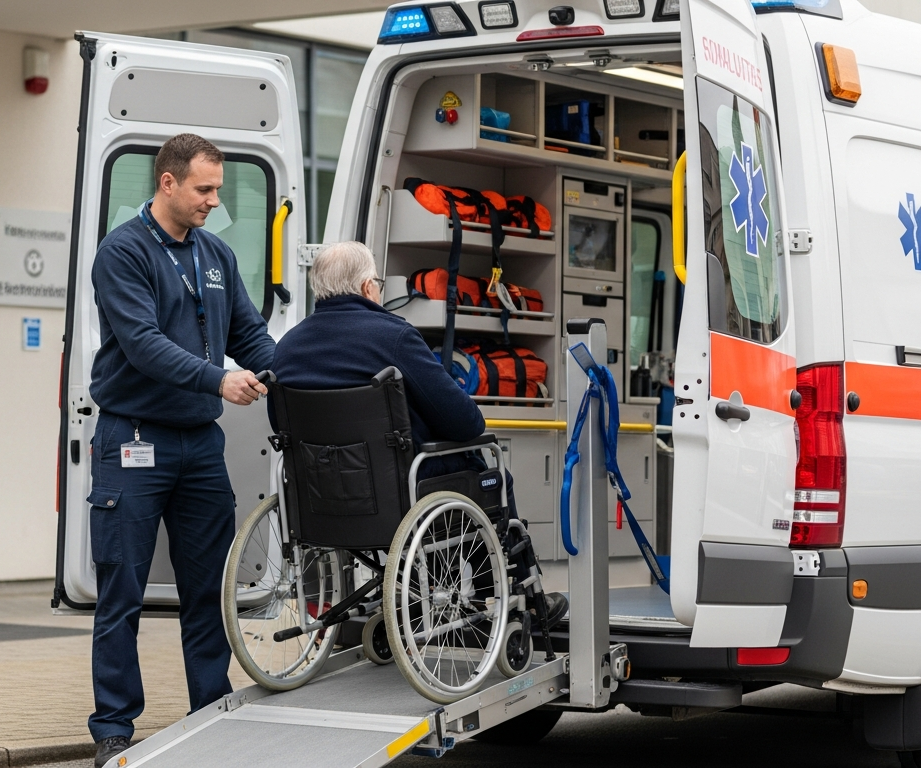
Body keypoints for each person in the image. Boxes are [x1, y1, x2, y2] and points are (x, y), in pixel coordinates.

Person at [86, 133, 275, 768]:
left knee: (208, 590)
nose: (213, 201)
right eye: (204, 189)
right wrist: (216, 377)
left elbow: (250, 334)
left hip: (199, 446)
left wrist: (304, 376)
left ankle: (210, 710)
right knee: (122, 591)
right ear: (167, 183)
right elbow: (140, 344)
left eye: (217, 189)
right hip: (132, 441)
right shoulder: (123, 252)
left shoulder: (214, 253)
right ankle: (114, 727)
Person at [268, 241, 566, 612]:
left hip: (319, 502)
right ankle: (510, 596)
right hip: (401, 497)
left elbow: (282, 427)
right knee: (490, 474)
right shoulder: (393, 336)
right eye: (376, 281)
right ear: (366, 288)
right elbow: (466, 421)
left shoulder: (287, 347)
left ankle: (417, 599)